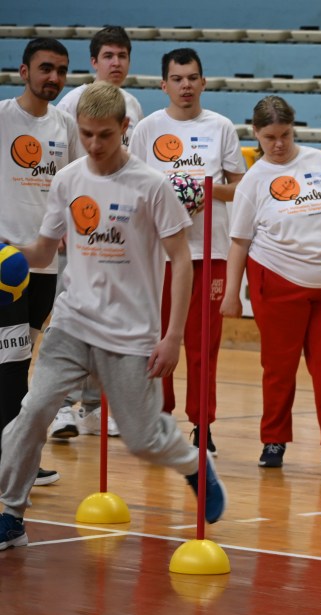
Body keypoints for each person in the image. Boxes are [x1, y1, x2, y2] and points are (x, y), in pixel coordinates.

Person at [0, 82, 226, 551]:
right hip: (71, 324)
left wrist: (173, 336)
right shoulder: (67, 179)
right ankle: (11, 514)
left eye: (104, 134)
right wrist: (9, 251)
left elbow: (181, 260)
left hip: (131, 334)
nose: (94, 144)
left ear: (124, 127)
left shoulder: (152, 186)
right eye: (86, 134)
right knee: (33, 412)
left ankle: (193, 463)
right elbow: (44, 251)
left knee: (143, 440)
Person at [221, 95, 321, 470]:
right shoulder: (254, 180)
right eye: (269, 137)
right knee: (279, 367)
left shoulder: (320, 162)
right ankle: (274, 440)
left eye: (285, 135)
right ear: (256, 134)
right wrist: (231, 293)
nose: (278, 144)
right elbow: (239, 242)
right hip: (276, 280)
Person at [129, 48, 246, 455]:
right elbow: (131, 185)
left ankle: (203, 425)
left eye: (193, 78)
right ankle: (159, 420)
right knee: (158, 339)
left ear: (203, 82)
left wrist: (203, 192)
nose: (185, 86)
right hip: (158, 255)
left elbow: (241, 187)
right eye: (177, 79)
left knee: (204, 345)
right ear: (164, 84)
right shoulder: (147, 128)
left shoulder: (221, 127)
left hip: (209, 252)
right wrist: (166, 198)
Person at [50, 25, 143, 440]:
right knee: (70, 317)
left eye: (122, 55)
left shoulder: (133, 105)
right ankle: (61, 407)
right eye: (108, 55)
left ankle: (91, 406)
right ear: (93, 62)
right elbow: (63, 164)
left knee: (107, 318)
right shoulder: (73, 102)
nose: (116, 62)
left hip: (116, 233)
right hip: (80, 227)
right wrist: (64, 219)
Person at [0, 38, 82, 487]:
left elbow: (78, 184)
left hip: (46, 267)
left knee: (20, 359)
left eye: (61, 70)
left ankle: (16, 456)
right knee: (11, 363)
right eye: (46, 68)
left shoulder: (66, 125)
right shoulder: (2, 117)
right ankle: (16, 461)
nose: (54, 77)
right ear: (24, 71)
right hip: (6, 266)